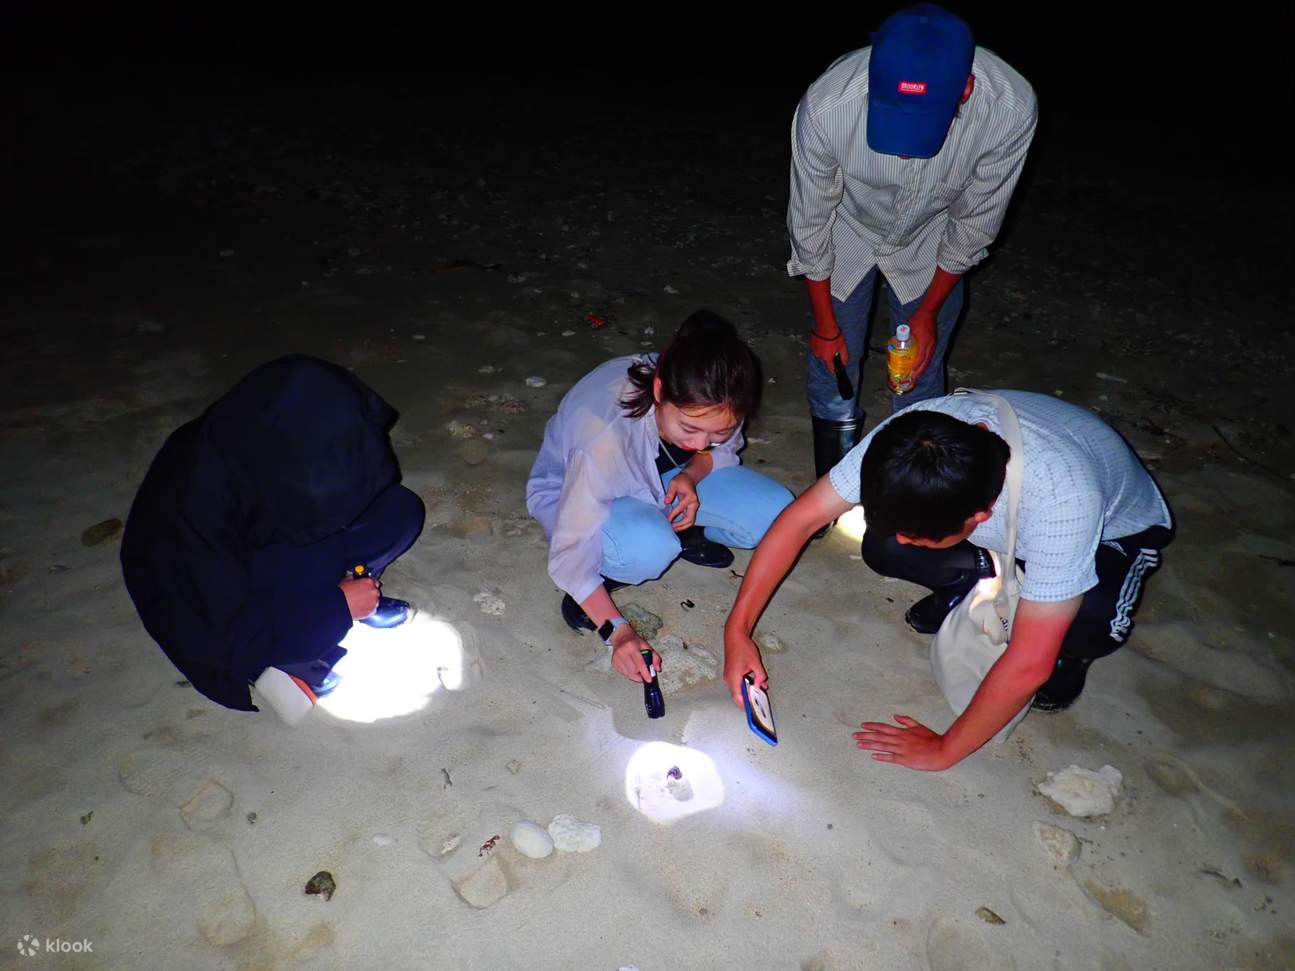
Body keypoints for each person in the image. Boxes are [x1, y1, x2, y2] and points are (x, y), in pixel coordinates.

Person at [723, 390, 1173, 771]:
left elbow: (1028, 664)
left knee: (1091, 621)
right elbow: (799, 520)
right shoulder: (909, 439)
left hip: (1115, 533)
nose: (908, 538)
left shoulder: (1065, 503)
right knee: (885, 546)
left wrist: (944, 750)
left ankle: (1070, 654)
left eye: (922, 534)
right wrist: (737, 630)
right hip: (1000, 511)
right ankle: (970, 584)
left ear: (980, 518)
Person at [787, 3, 1038, 491]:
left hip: (932, 233)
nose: (903, 151)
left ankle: (911, 490)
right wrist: (824, 326)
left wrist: (927, 312)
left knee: (919, 367)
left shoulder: (1008, 109)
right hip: (847, 224)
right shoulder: (828, 105)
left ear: (965, 90)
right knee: (833, 362)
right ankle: (834, 484)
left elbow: (973, 225)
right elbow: (810, 221)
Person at [121, 355, 424, 710]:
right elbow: (222, 635)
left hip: (264, 525)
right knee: (308, 576)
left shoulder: (255, 435)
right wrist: (337, 608)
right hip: (216, 602)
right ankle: (293, 656)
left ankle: (348, 589)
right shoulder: (190, 514)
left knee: (398, 512)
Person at [527, 310, 793, 683]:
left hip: (665, 480)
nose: (701, 443)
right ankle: (603, 580)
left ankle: (684, 532)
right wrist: (617, 632)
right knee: (648, 549)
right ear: (658, 391)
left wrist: (690, 474)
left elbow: (721, 451)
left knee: (778, 516)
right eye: (689, 427)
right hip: (583, 491)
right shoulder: (602, 438)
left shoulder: (719, 391)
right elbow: (569, 550)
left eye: (718, 431)